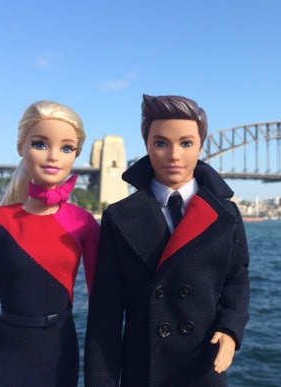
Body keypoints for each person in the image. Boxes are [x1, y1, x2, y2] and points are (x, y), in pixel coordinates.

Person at [84, 94, 250, 386]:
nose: (174, 155)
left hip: (203, 367)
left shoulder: (227, 215)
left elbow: (236, 279)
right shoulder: (119, 218)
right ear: (146, 145)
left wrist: (231, 328)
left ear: (201, 145)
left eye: (186, 143)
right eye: (161, 143)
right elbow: (105, 316)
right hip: (144, 370)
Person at [0, 100, 100, 386]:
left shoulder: (84, 223)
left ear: (76, 155)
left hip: (61, 355)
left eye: (66, 148)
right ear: (21, 147)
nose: (54, 156)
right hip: (3, 357)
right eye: (40, 144)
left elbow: (103, 305)